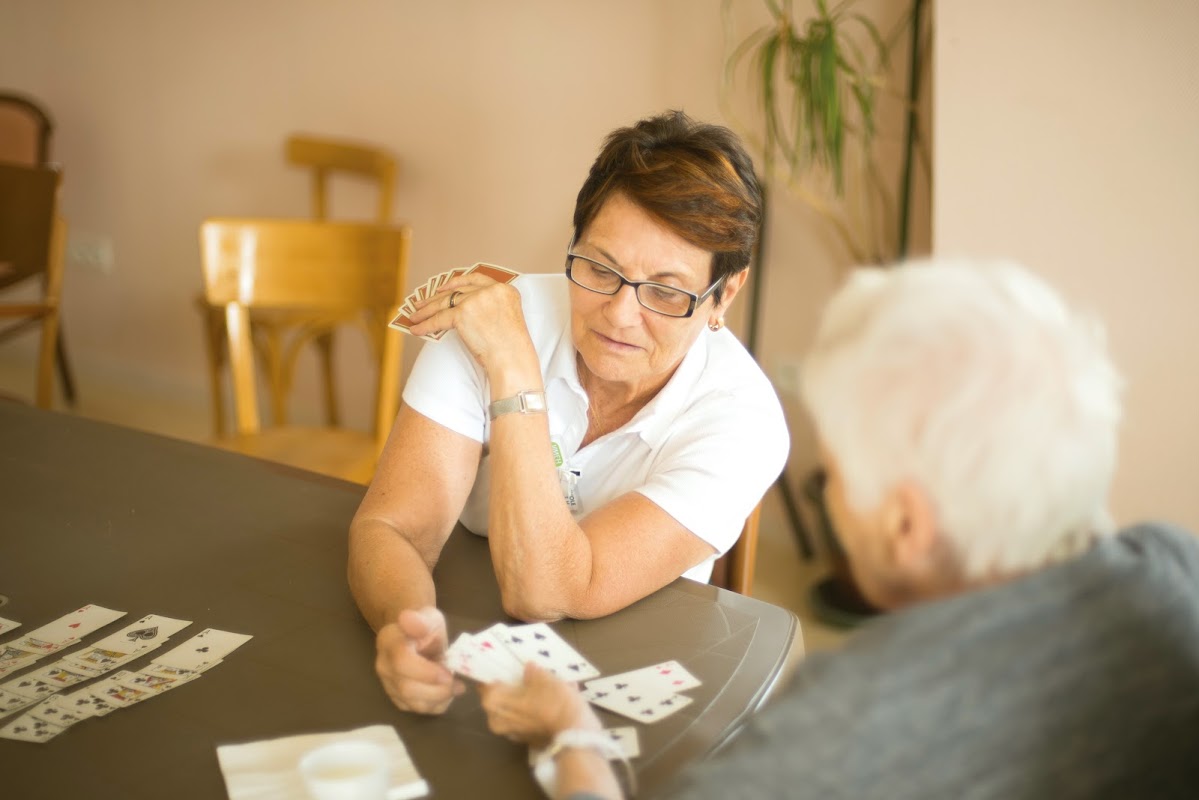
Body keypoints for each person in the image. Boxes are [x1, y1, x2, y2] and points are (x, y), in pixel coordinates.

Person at [478, 258, 1199, 799]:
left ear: (905, 525)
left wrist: (574, 736)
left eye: (839, 472)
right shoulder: (1175, 570)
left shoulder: (836, 734)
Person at [348, 110, 789, 716]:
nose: (619, 315)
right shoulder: (494, 315)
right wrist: (406, 624)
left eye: (666, 291)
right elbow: (393, 527)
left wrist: (515, 374)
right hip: (470, 611)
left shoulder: (745, 424)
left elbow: (547, 590)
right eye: (600, 268)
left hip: (644, 658)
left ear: (723, 296)